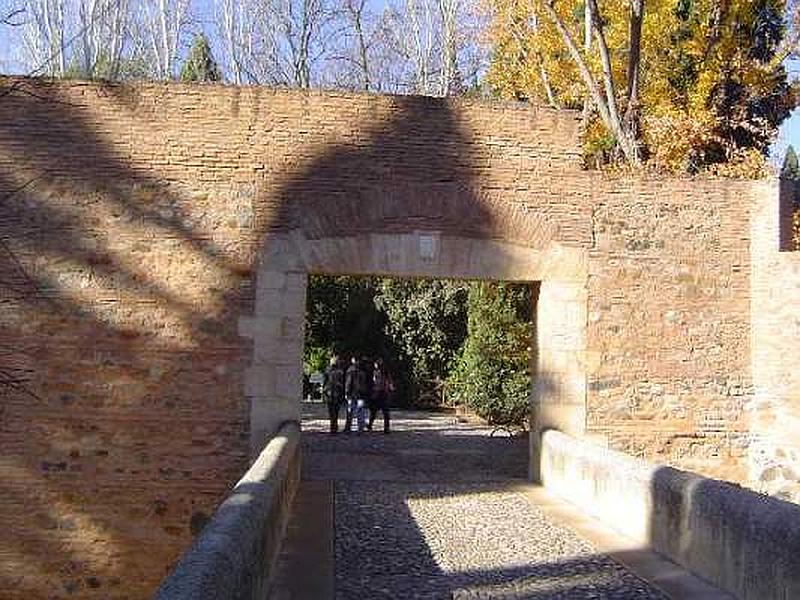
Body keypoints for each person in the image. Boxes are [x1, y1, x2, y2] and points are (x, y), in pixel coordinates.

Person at [344, 356, 369, 433]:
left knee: (350, 411)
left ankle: (348, 428)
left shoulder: (350, 371)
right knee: (360, 411)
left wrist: (346, 392)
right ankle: (360, 428)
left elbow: (348, 383)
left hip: (352, 394)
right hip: (361, 393)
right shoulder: (363, 372)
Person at [368, 358, 392, 433]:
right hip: (383, 393)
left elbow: (375, 382)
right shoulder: (386, 373)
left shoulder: (377, 372)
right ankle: (386, 427)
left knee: (374, 411)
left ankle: (370, 425)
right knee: (385, 411)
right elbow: (390, 383)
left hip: (378, 392)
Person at [323, 356, 345, 433]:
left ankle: (333, 427)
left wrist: (324, 392)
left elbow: (325, 383)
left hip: (330, 393)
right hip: (337, 393)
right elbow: (343, 384)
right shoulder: (340, 372)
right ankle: (334, 426)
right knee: (336, 411)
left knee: (331, 411)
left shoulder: (327, 371)